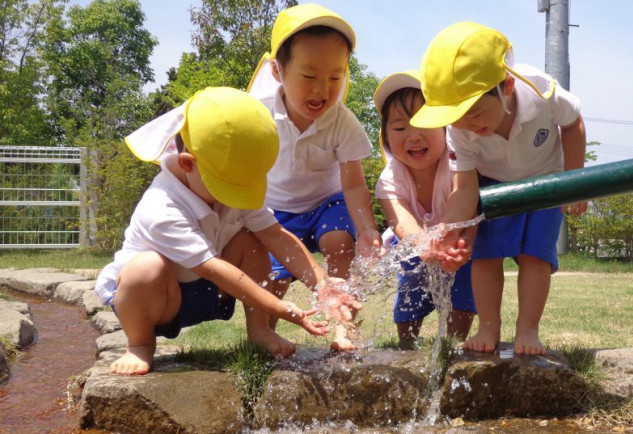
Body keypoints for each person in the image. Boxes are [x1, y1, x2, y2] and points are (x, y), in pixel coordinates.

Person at [94, 87, 362, 376]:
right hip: (158, 301)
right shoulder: (162, 208)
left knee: (253, 238)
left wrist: (324, 287)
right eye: (230, 188)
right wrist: (281, 308)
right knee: (145, 268)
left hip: (209, 295)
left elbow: (276, 235)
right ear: (187, 164)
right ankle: (139, 345)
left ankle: (259, 330)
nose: (238, 197)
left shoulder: (228, 181)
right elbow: (214, 269)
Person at [410, 22, 587, 355]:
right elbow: (464, 189)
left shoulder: (541, 92)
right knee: (485, 255)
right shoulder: (459, 129)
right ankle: (488, 326)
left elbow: (573, 123)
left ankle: (528, 329)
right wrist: (448, 230)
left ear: (505, 85)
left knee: (536, 255)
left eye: (475, 112)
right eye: (457, 118)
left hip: (546, 179)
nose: (468, 125)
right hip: (492, 184)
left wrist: (574, 181)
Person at [247, 3, 382, 351]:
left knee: (339, 243)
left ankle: (344, 327)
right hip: (276, 211)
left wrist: (367, 229)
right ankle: (263, 331)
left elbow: (353, 183)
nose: (322, 89)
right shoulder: (258, 114)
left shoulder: (342, 121)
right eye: (309, 76)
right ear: (278, 71)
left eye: (335, 77)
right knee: (273, 277)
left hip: (326, 203)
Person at [373, 71, 476, 349]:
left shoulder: (457, 160)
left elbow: (465, 196)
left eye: (424, 123)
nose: (413, 136)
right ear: (385, 136)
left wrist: (451, 237)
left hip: (456, 231)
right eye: (399, 128)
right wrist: (423, 244)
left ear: (446, 127)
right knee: (410, 274)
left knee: (463, 273)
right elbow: (401, 222)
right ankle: (407, 342)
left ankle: (452, 346)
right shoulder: (390, 180)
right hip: (413, 241)